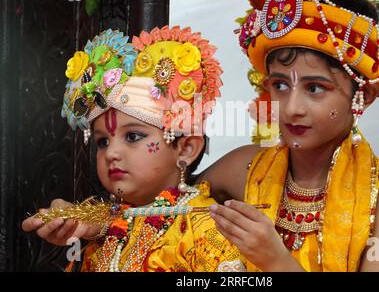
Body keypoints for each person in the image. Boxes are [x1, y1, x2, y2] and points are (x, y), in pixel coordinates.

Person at [202, 0, 379, 272]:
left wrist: (276, 261)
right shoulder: (245, 168)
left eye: (314, 88)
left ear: (362, 96)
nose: (291, 108)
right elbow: (166, 201)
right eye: (279, 85)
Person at [22, 26, 245, 272]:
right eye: (103, 142)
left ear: (186, 149)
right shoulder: (106, 232)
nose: (112, 153)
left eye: (133, 136)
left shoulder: (203, 228)